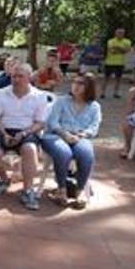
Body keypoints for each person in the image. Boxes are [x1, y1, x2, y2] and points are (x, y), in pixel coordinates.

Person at [0, 63, 49, 210]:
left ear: (29, 77)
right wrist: (4, 134)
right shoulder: (0, 94)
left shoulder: (39, 96)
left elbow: (40, 123)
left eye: (20, 76)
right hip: (3, 129)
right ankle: (4, 179)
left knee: (30, 149)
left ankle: (27, 190)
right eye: (14, 76)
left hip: (27, 131)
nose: (16, 79)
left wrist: (24, 133)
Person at [41, 73, 101, 209]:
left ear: (89, 87)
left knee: (86, 153)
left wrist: (81, 135)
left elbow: (94, 127)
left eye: (81, 84)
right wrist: (64, 134)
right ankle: (61, 191)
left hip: (80, 137)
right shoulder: (62, 101)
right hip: (55, 135)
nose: (76, 86)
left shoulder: (94, 106)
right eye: (74, 82)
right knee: (64, 153)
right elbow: (52, 122)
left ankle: (79, 192)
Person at [102, 27, 132, 98]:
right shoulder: (111, 41)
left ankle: (116, 93)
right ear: (115, 33)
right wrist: (121, 49)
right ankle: (103, 93)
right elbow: (112, 50)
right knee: (106, 78)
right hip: (109, 62)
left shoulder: (127, 41)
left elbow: (127, 50)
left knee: (118, 79)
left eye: (122, 33)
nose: (120, 34)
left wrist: (118, 48)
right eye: (119, 33)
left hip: (120, 63)